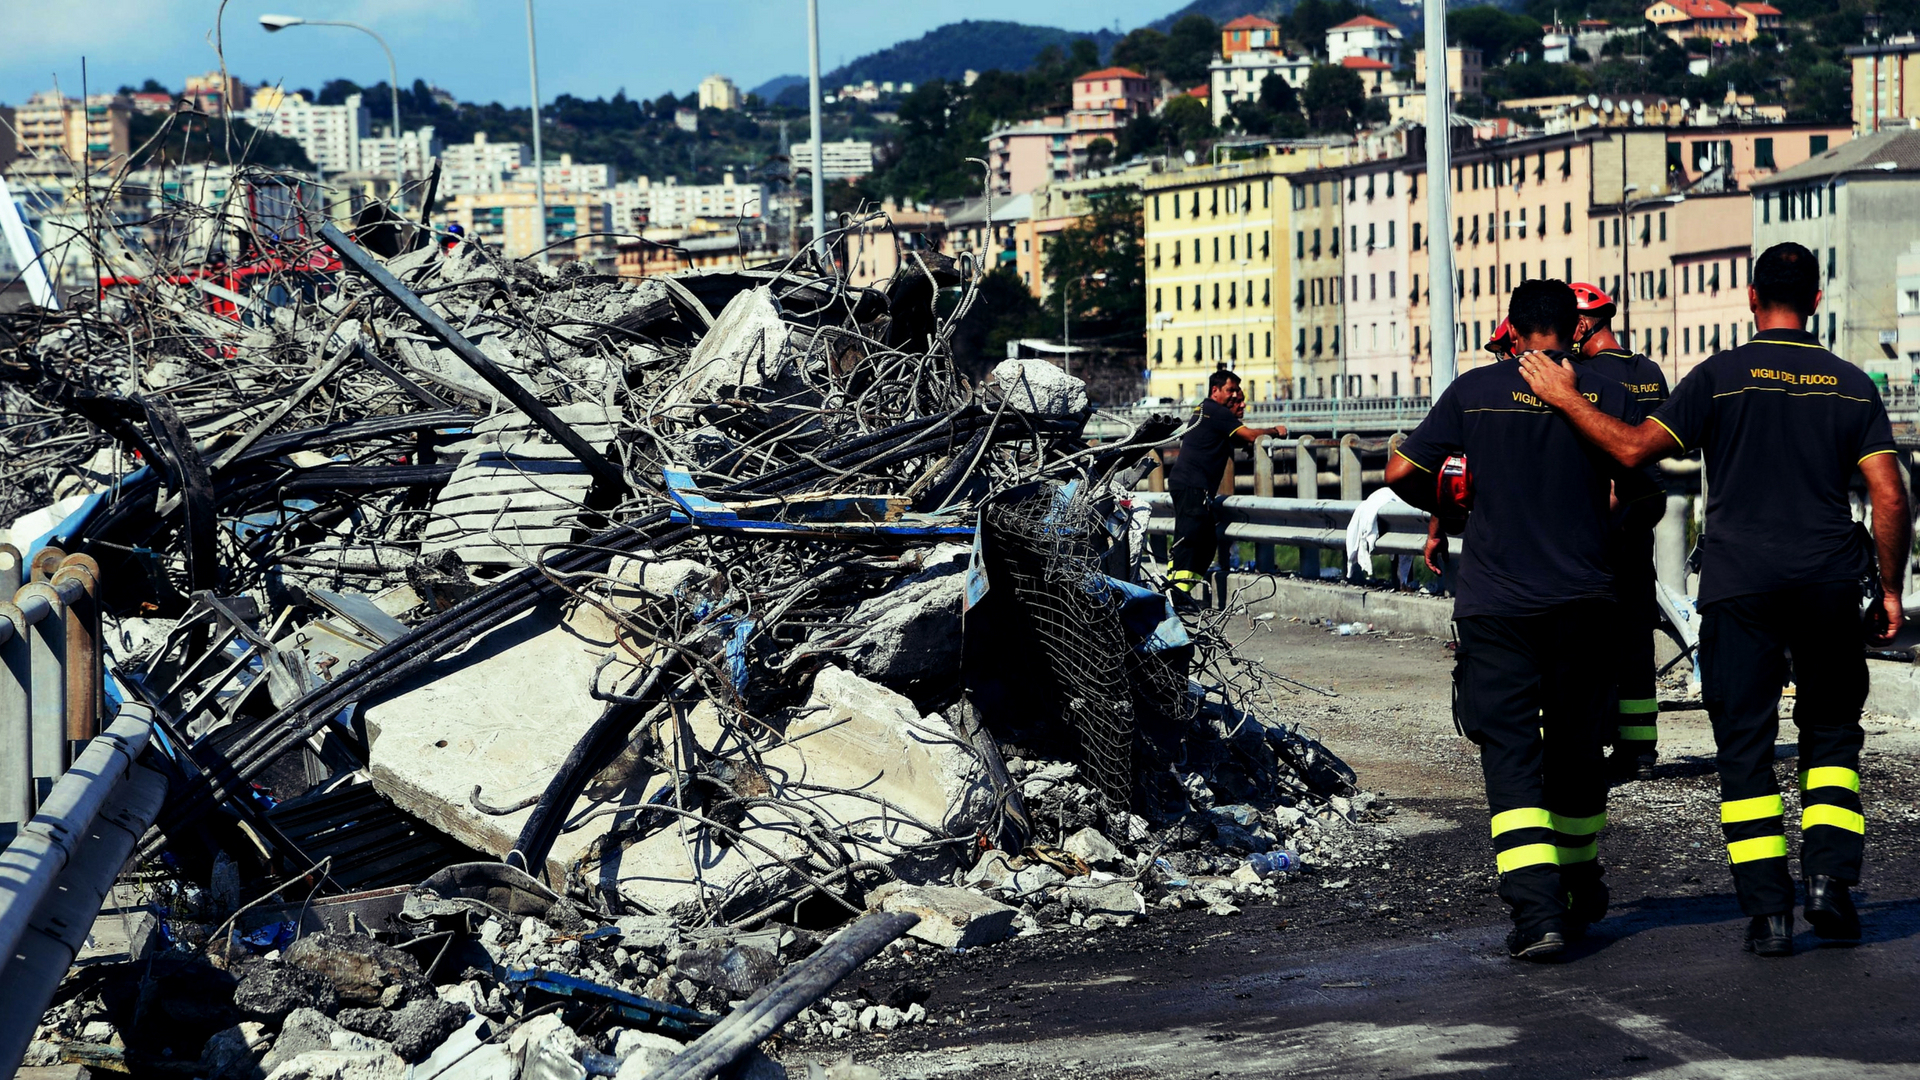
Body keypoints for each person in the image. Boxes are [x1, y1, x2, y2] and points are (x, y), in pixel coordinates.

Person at [1518, 243, 1910, 957]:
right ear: (1816, 301)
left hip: (1739, 589)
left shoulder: (1721, 377)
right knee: (1831, 739)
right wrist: (1888, 588)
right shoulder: (1853, 386)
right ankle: (1829, 885)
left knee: (1746, 749)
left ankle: (1768, 914)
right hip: (1826, 584)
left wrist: (1567, 399)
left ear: (1751, 298)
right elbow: (1889, 493)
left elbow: (1636, 449)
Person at [1388, 280, 1653, 960]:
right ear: (1574, 328)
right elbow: (1632, 485)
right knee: (1575, 750)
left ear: (1510, 327)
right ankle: (1579, 880)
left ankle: (1538, 916)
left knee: (1510, 754)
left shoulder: (1473, 392)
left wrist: (1456, 508)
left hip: (1498, 605)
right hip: (1586, 600)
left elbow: (1399, 470)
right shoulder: (1607, 392)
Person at [1571, 283, 1672, 780]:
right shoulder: (1649, 372)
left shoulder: (1586, 377)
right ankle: (1640, 748)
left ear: (1585, 324)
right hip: (1643, 515)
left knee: (1590, 636)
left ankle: (1590, 737)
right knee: (1637, 634)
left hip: (1602, 517)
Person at [1166, 370, 1285, 608]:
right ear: (1215, 391)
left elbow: (1228, 437)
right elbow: (1249, 435)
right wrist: (1275, 431)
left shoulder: (1204, 410)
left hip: (1186, 482)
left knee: (1205, 539)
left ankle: (1173, 589)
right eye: (1230, 391)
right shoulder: (1216, 411)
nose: (1234, 398)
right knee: (1193, 539)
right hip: (1193, 484)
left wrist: (1244, 442)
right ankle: (1177, 595)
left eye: (1237, 393)